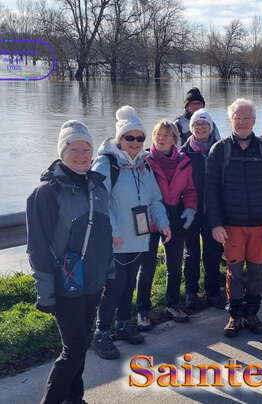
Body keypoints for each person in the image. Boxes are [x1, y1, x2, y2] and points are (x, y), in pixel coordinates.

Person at [27, 121, 113, 404]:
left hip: (91, 283)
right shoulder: (47, 193)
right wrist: (45, 292)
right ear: (62, 151)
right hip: (65, 284)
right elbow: (37, 248)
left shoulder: (98, 187)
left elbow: (104, 236)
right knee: (73, 348)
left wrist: (108, 275)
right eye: (73, 149)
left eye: (86, 148)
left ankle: (74, 397)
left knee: (81, 344)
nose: (80, 154)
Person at [92, 106, 170, 359]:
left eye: (139, 138)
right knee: (113, 288)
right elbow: (98, 201)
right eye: (129, 137)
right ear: (119, 138)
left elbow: (155, 200)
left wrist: (163, 222)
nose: (135, 143)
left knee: (127, 287)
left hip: (139, 238)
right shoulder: (106, 164)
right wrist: (112, 230)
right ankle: (101, 333)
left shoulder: (143, 165)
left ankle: (123, 324)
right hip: (114, 241)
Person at [206, 98, 262, 337]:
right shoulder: (219, 150)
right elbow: (211, 190)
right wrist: (215, 224)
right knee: (235, 272)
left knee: (256, 272)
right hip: (231, 225)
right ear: (231, 120)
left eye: (246, 118)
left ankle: (252, 314)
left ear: (254, 121)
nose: (241, 122)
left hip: (261, 224)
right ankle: (235, 316)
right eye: (237, 118)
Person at [136, 121, 197, 330]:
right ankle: (143, 310)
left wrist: (190, 208)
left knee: (174, 265)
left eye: (166, 135)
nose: (161, 138)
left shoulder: (184, 161)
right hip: (149, 216)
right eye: (157, 134)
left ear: (174, 139)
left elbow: (189, 190)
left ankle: (172, 304)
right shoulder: (143, 160)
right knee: (147, 267)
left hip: (175, 215)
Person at [180, 108, 226, 312]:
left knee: (213, 252)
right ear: (191, 128)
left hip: (214, 211)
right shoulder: (183, 153)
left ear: (211, 127)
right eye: (197, 124)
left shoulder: (220, 150)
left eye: (204, 124)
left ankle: (213, 291)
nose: (200, 127)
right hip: (190, 211)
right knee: (191, 253)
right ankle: (191, 293)